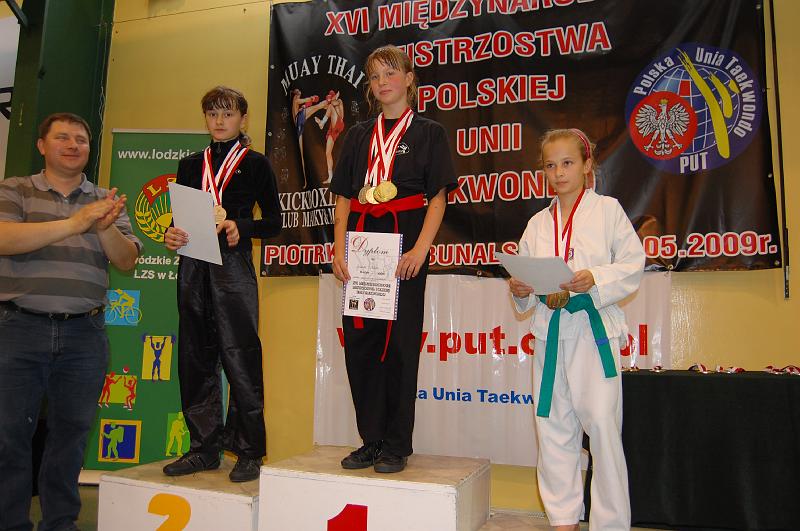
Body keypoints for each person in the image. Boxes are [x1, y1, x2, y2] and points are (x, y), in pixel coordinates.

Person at [0, 112, 141, 531]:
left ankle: (60, 523)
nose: (73, 145)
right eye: (62, 137)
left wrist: (103, 227)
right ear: (42, 145)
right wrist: (76, 223)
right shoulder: (15, 189)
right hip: (18, 329)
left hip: (84, 334)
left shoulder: (104, 199)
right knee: (8, 435)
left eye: (81, 139)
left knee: (71, 436)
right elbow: (5, 239)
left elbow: (127, 260)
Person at [508, 129, 645, 530]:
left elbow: (632, 263)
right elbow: (526, 282)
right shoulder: (537, 223)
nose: (559, 173)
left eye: (567, 163)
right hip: (550, 334)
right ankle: (563, 520)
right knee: (553, 429)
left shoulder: (607, 210)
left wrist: (595, 278)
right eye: (550, 165)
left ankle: (610, 524)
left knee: (601, 427)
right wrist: (521, 290)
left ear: (587, 165)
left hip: (592, 332)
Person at [329, 45, 457, 474]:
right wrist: (339, 247)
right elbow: (343, 197)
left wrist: (421, 249)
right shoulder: (357, 135)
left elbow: (437, 199)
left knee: (400, 345)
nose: (382, 82)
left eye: (390, 73)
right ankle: (371, 440)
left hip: (405, 245)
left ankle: (397, 445)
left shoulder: (429, 133)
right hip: (362, 244)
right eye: (375, 76)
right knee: (361, 343)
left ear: (409, 78)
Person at [163, 86, 281, 483]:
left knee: (240, 355)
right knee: (194, 355)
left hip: (232, 267)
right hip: (193, 264)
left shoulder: (256, 164)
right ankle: (203, 448)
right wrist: (172, 234)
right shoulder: (189, 165)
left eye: (227, 113)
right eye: (212, 113)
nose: (219, 120)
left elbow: (275, 223)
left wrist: (240, 226)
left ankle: (249, 451)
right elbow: (180, 220)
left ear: (243, 119)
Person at [315, 90, 345, 184]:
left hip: (339, 123)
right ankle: (330, 177)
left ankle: (322, 123)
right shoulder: (330, 105)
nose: (330, 100)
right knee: (328, 153)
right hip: (332, 129)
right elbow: (325, 106)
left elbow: (334, 103)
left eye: (331, 97)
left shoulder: (339, 101)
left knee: (331, 107)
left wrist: (334, 98)